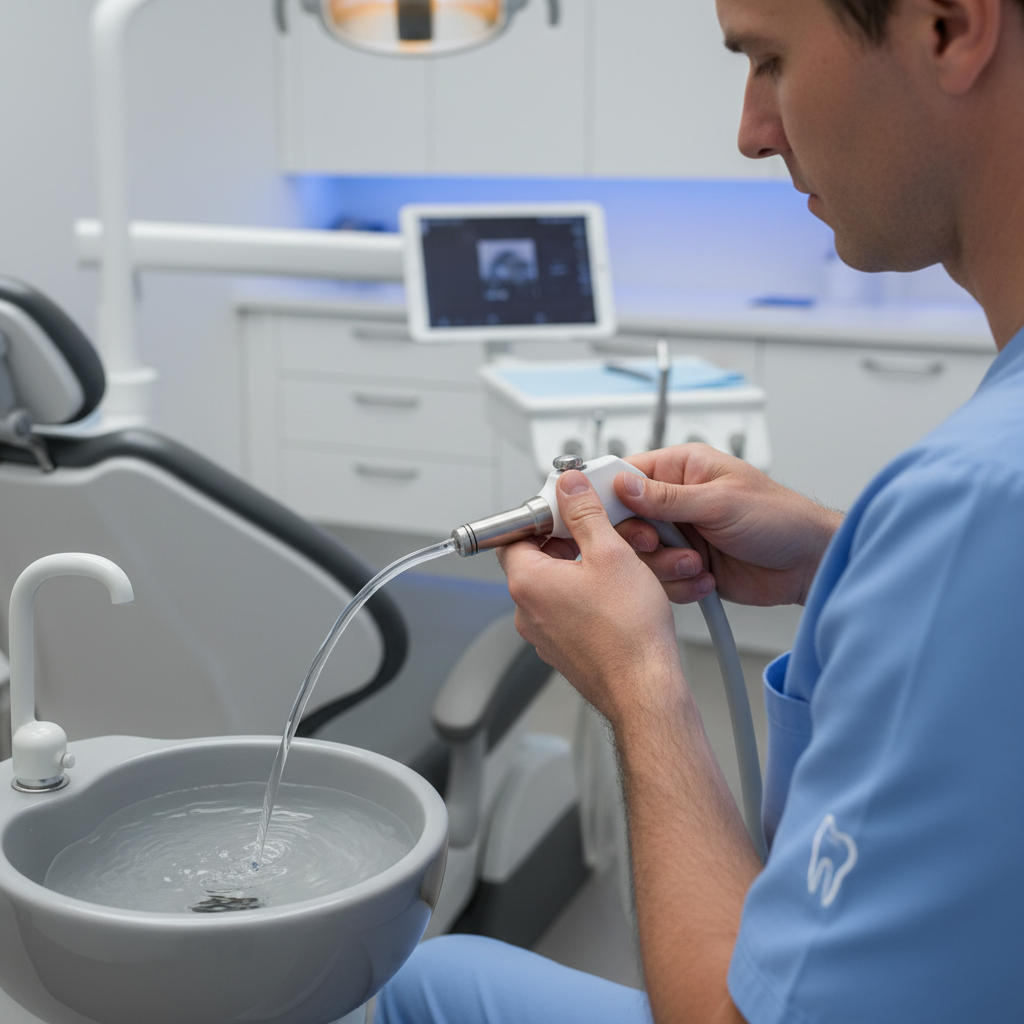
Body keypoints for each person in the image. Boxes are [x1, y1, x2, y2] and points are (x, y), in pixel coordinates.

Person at [375, 0, 1024, 1016]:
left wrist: (638, 680)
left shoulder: (976, 501)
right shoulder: (971, 511)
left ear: (947, 26)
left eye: (767, 60)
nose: (750, 130)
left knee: (413, 984)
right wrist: (844, 554)